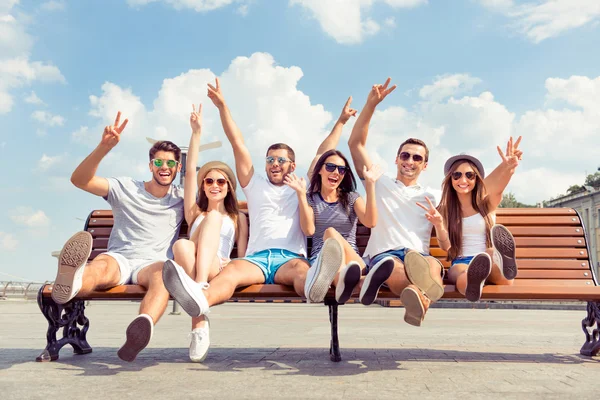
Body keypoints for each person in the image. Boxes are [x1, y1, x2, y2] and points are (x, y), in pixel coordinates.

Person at [162, 78, 340, 318]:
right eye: (270, 160)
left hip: (289, 258)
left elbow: (323, 153)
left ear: (293, 165)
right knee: (231, 273)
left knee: (301, 272)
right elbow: (238, 143)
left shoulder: (302, 185)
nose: (274, 164)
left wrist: (341, 121)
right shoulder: (254, 184)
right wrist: (222, 106)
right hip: (256, 259)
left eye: (280, 160)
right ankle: (202, 300)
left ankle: (313, 287)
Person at [52, 112, 184, 361]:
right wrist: (104, 147)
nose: (163, 168)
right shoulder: (125, 187)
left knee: (163, 276)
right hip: (120, 257)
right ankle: (73, 283)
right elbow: (79, 180)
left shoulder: (181, 197)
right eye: (158, 163)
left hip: (151, 263)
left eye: (169, 164)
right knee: (100, 267)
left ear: (178, 167)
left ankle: (141, 327)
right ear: (150, 165)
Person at [347, 77, 447, 327]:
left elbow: (471, 201)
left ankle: (419, 300)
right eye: (405, 155)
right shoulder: (379, 181)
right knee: (393, 268)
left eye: (417, 157)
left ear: (425, 165)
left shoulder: (434, 195)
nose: (410, 161)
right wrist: (371, 105)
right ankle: (421, 300)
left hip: (419, 256)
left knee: (433, 267)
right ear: (396, 158)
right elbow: (355, 143)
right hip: (386, 255)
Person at [164, 104, 248, 362]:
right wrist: (196, 133)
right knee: (181, 246)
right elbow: (189, 172)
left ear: (229, 188)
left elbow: (243, 257)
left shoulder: (238, 218)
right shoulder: (195, 213)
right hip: (193, 263)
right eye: (209, 181)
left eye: (220, 181)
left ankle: (198, 290)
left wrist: (231, 264)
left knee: (210, 219)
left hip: (217, 268)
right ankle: (199, 323)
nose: (214, 185)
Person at [286, 97, 382, 304]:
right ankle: (357, 283)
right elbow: (309, 230)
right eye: (330, 167)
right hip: (321, 263)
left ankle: (353, 277)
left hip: (353, 260)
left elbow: (371, 222)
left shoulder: (351, 197)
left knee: (332, 235)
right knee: (331, 246)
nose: (336, 172)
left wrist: (371, 185)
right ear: (319, 170)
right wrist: (341, 121)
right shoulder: (311, 198)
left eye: (341, 169)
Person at [427, 138, 522, 302]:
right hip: (461, 261)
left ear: (477, 179)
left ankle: (500, 263)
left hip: (488, 258)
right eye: (457, 175)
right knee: (462, 276)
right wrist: (439, 225)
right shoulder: (443, 210)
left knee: (493, 255)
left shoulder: (487, 204)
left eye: (469, 175)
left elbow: (498, 187)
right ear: (450, 179)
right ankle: (475, 282)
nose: (463, 180)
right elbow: (446, 247)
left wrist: (507, 167)